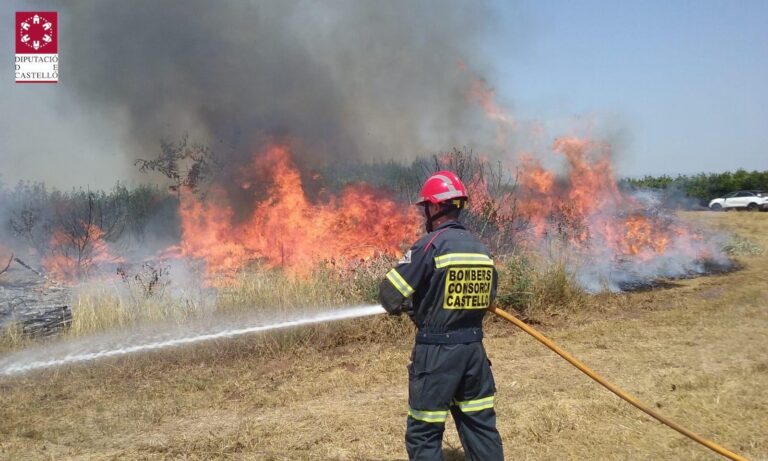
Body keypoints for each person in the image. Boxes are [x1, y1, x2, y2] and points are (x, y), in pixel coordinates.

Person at [379, 171, 504, 461]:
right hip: (473, 353)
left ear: (435, 206)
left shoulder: (429, 245)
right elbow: (486, 299)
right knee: (480, 427)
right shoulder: (481, 249)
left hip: (437, 354)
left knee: (424, 433)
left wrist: (413, 305)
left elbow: (389, 295)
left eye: (426, 206)